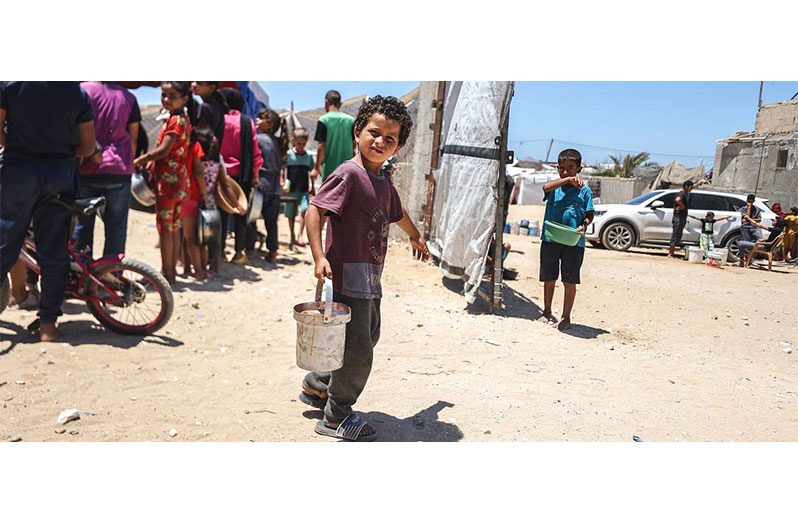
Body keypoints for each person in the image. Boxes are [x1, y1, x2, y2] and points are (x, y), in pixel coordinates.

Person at [299, 95, 429, 442]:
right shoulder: (348, 174)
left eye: (390, 138)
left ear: (398, 146)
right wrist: (318, 255)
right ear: (358, 131)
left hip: (370, 279)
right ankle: (336, 416)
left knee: (366, 336)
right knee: (359, 352)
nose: (380, 141)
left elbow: (397, 214)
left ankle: (318, 385)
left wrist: (416, 237)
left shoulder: (383, 182)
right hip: (346, 278)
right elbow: (315, 211)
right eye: (374, 132)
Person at [0, 82, 96, 341]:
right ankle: (48, 327)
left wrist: (20, 150)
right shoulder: (76, 92)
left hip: (19, 171)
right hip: (60, 174)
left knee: (5, 242)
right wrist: (61, 154)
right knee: (54, 250)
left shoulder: (9, 86)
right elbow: (88, 147)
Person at [73, 82, 141, 258]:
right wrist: (127, 162)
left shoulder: (82, 90)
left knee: (83, 225)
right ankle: (111, 275)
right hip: (119, 170)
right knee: (116, 227)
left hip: (87, 168)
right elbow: (133, 137)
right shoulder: (129, 97)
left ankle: (83, 275)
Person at [133, 81, 192, 284]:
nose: (166, 99)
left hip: (169, 184)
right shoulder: (181, 119)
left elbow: (164, 150)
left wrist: (142, 159)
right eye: (163, 95)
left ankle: (167, 275)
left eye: (171, 96)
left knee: (165, 229)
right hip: (179, 181)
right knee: (173, 228)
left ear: (184, 99)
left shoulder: (176, 121)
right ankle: (170, 273)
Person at [538, 149, 594, 332]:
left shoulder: (584, 191)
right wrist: (566, 180)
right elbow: (545, 188)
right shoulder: (555, 188)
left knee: (569, 281)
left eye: (570, 168)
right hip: (551, 238)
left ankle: (566, 317)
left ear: (579, 168)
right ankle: (546, 312)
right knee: (549, 278)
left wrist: (583, 225)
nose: (565, 171)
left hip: (573, 242)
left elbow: (589, 213)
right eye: (561, 168)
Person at [219, 88, 263, 264]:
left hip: (221, 175)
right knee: (241, 215)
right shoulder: (247, 122)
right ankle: (239, 252)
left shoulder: (219, 119)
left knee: (221, 213)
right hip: (242, 175)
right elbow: (255, 153)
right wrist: (255, 174)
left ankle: (220, 252)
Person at [194, 127, 239, 273]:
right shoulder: (217, 166)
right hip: (212, 205)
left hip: (195, 203)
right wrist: (237, 204)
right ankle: (215, 267)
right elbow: (226, 186)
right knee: (214, 238)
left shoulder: (194, 164)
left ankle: (196, 267)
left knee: (197, 237)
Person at [247, 109, 282, 262]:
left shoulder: (258, 139)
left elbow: (255, 162)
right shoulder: (277, 142)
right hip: (275, 188)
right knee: (271, 222)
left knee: (252, 218)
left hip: (260, 184)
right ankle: (272, 252)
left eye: (262, 118)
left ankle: (250, 249)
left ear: (271, 124)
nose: (258, 119)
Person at [179, 129, 208, 280]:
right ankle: (198, 271)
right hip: (190, 194)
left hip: (174, 192)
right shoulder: (194, 146)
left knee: (180, 235)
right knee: (192, 237)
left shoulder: (173, 144)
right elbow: (198, 171)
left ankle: (184, 268)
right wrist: (204, 192)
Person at [312, 89, 355, 184]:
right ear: (340, 104)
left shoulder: (324, 120)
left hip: (329, 171)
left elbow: (321, 146)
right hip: (348, 170)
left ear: (326, 101)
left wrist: (316, 168)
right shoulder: (351, 120)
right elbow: (354, 144)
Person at [284, 127, 315, 247]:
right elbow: (283, 170)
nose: (301, 146)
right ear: (293, 141)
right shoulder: (289, 155)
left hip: (304, 189)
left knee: (304, 211)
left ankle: (300, 234)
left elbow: (312, 172)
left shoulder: (308, 157)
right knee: (290, 214)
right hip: (291, 190)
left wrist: (312, 187)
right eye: (298, 143)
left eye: (303, 143)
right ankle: (292, 235)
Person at [190, 82, 227, 149]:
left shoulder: (204, 108)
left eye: (199, 83)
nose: (194, 84)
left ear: (211, 88)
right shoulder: (217, 105)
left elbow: (201, 136)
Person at [667, 180, 694, 258]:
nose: (692, 189)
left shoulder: (685, 193)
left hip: (681, 217)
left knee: (678, 234)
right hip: (678, 217)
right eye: (691, 187)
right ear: (686, 186)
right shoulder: (682, 193)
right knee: (675, 234)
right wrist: (682, 205)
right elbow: (678, 200)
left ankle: (672, 252)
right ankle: (670, 253)